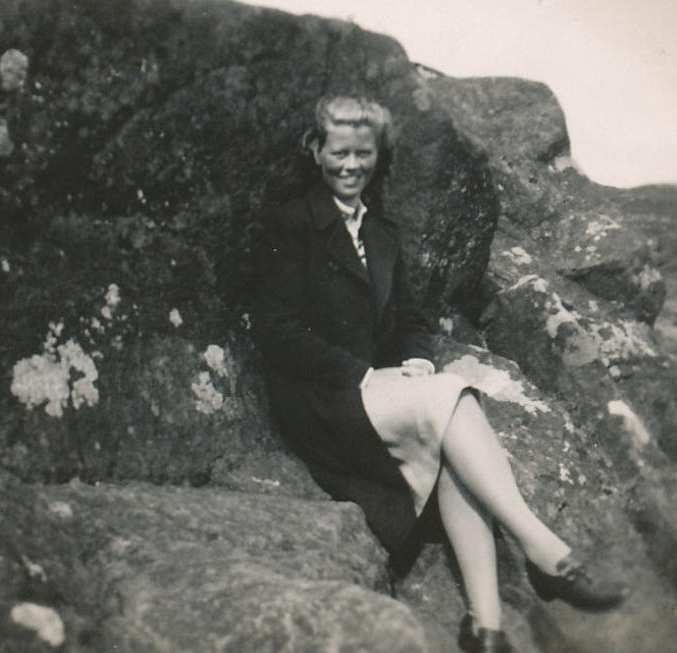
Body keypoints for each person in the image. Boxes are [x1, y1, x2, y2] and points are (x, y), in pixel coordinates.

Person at [253, 95, 629, 653]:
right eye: (339, 153)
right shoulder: (291, 224)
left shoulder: (381, 232)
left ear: (378, 155)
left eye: (363, 153)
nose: (351, 165)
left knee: (453, 436)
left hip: (374, 394)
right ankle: (545, 552)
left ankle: (486, 627)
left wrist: (415, 360)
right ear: (316, 151)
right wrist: (360, 373)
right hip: (321, 401)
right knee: (455, 398)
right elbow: (277, 330)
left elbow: (410, 320)